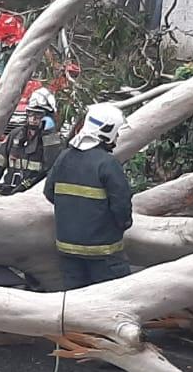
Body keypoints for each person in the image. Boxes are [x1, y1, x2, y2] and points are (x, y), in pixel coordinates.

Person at [43, 101, 134, 289]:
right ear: (107, 131)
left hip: (67, 249)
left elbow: (49, 192)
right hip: (104, 253)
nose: (117, 136)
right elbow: (121, 205)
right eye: (116, 132)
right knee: (113, 298)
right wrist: (122, 224)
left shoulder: (64, 157)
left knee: (74, 302)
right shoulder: (108, 163)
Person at [0, 88, 62, 197]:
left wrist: (49, 134)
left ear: (48, 116)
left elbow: (53, 168)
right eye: (30, 113)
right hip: (7, 193)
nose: (33, 118)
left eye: (38, 115)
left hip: (31, 198)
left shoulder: (52, 143)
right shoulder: (16, 136)